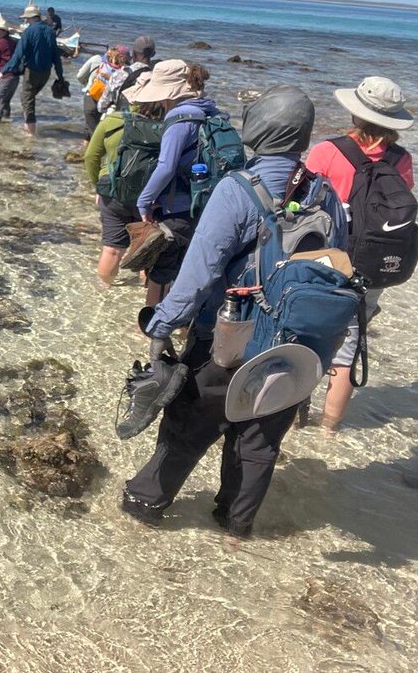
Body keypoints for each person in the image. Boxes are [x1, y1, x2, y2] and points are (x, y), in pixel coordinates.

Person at [121, 86, 347, 539]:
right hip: (293, 347)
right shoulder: (325, 194)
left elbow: (199, 273)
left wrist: (161, 327)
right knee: (259, 443)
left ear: (260, 128)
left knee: (186, 427)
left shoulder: (238, 189)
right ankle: (235, 527)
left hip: (227, 339)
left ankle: (142, 509)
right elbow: (336, 269)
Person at [304, 75, 416, 431]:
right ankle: (329, 428)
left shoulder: (327, 151)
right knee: (350, 342)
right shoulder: (402, 159)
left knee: (304, 336)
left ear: (355, 113)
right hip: (373, 262)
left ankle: (291, 423)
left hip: (326, 258)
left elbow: (303, 204)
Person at [128, 61, 220, 304]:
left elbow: (166, 167)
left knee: (160, 274)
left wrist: (144, 202)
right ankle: (180, 318)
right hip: (204, 204)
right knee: (184, 272)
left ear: (169, 92)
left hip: (176, 209)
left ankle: (152, 322)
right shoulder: (210, 111)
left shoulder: (179, 119)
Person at [82, 72, 161, 287]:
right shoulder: (166, 125)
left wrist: (98, 186)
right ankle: (144, 293)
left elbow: (91, 156)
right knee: (147, 248)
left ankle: (104, 289)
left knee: (112, 249)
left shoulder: (114, 120)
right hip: (149, 196)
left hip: (113, 191)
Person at [0, 5, 65, 136]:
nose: (25, 20)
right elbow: (56, 56)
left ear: (31, 18)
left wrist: (4, 71)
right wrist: (60, 75)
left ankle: (31, 133)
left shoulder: (29, 32)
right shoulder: (50, 31)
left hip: (32, 71)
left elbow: (18, 55)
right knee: (29, 99)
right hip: (46, 73)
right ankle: (27, 125)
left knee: (27, 100)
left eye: (26, 18)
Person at [76, 45, 131, 136]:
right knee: (100, 133)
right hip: (109, 104)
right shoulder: (127, 71)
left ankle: (86, 143)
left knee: (91, 129)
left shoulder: (97, 59)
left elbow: (80, 76)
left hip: (92, 96)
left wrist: (87, 84)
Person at [97, 35, 155, 119]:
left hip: (121, 120)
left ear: (134, 54)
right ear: (153, 54)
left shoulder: (119, 74)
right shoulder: (156, 76)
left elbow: (101, 106)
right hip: (144, 121)